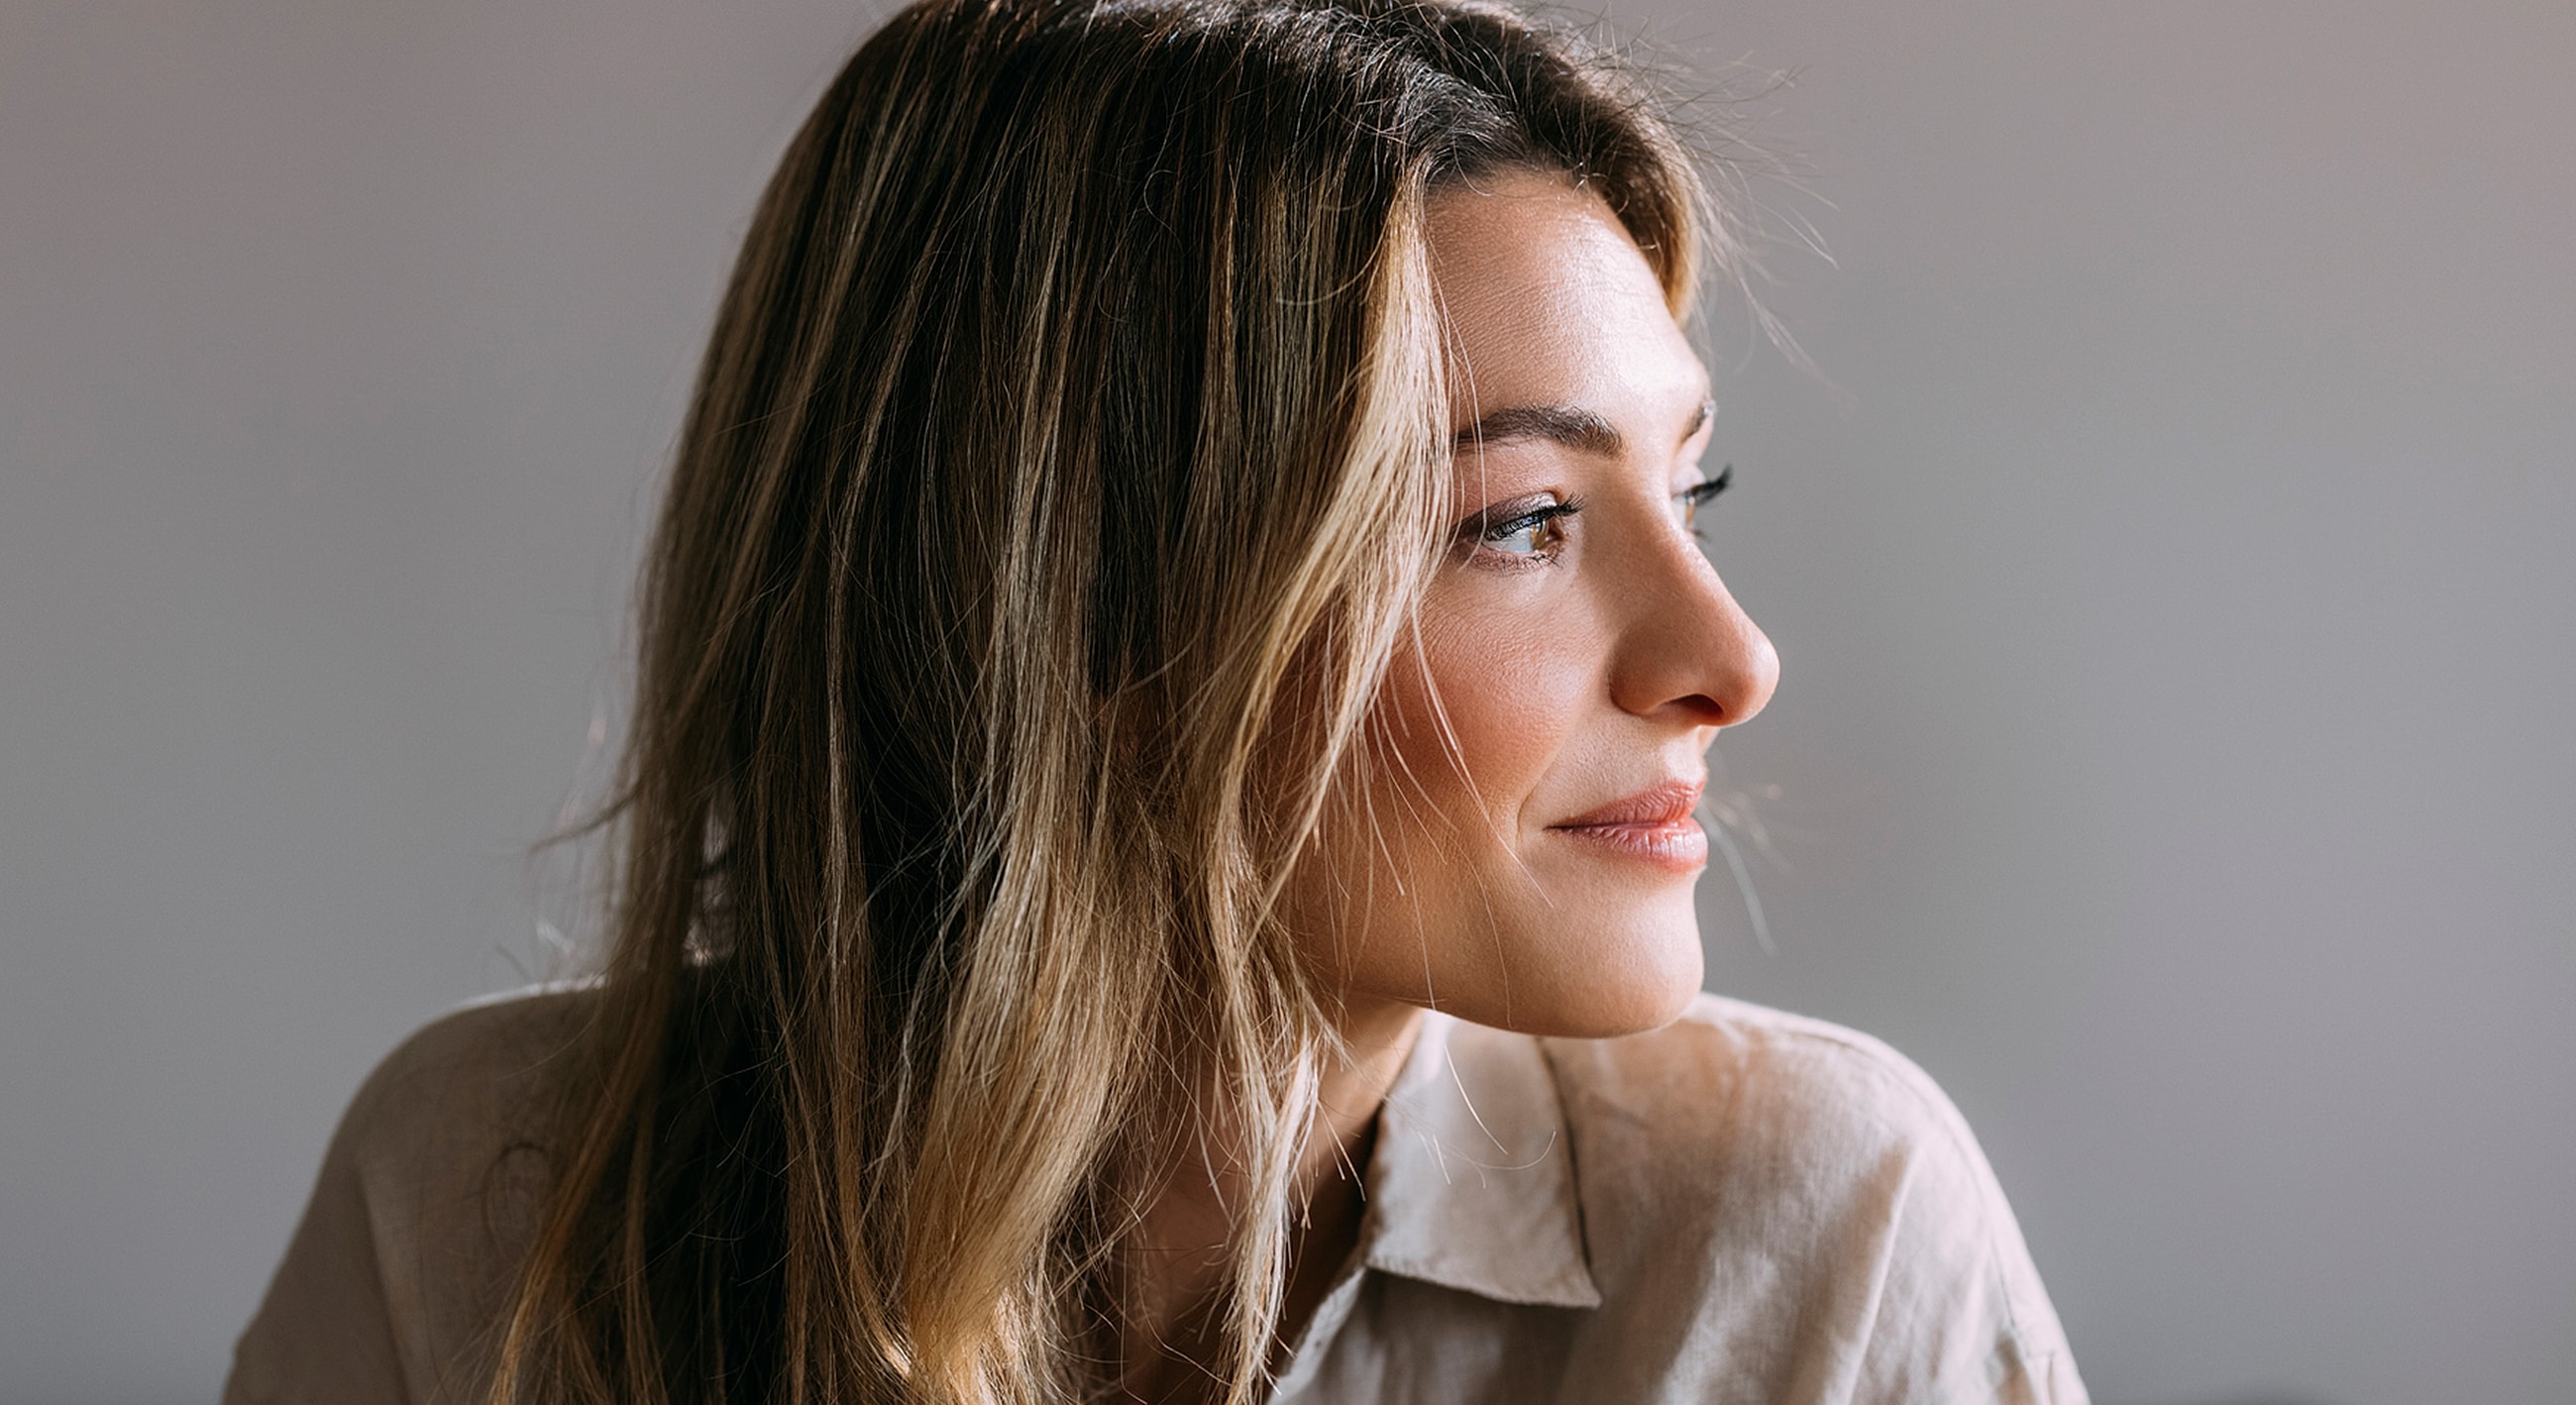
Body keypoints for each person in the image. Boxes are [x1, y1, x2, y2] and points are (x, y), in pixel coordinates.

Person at [227, 0, 2087, 1400]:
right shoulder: (490, 1206)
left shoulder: (1819, 1241)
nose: (1732, 659)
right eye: (1523, 518)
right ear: (1079, 613)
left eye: (1689, 490)